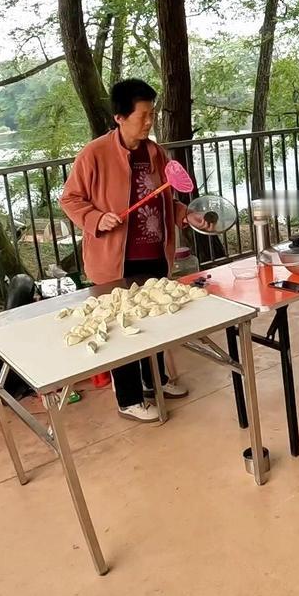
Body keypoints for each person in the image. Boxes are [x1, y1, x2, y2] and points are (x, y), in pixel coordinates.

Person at [61, 79, 190, 423]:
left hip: (154, 254)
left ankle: (156, 380)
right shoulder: (95, 154)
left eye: (153, 114)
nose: (149, 122)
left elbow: (166, 199)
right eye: (143, 115)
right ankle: (129, 398)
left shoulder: (154, 152)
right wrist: (94, 218)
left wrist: (184, 215)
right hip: (115, 261)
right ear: (120, 117)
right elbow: (70, 199)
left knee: (154, 319)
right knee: (121, 326)